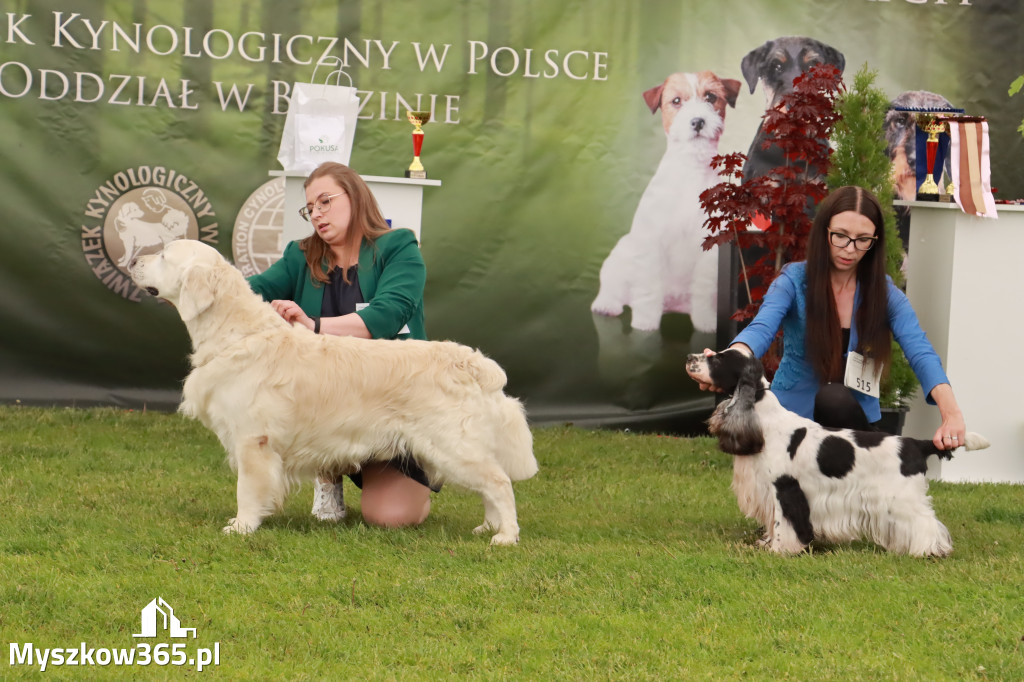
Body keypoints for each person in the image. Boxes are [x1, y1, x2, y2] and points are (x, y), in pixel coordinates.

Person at [688, 185, 967, 451]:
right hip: (790, 422)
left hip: (853, 423)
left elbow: (920, 351)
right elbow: (761, 329)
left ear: (875, 241)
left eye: (862, 240)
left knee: (834, 398)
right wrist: (727, 359)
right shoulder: (793, 281)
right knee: (829, 395)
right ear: (824, 232)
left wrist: (951, 412)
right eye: (841, 236)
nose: (849, 249)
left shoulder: (885, 293)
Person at [247, 161, 435, 527]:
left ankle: (408, 480)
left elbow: (388, 314)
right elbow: (250, 291)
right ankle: (327, 472)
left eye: (325, 202)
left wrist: (312, 325)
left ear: (355, 197)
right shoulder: (300, 255)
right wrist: (201, 282)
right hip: (329, 409)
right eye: (310, 208)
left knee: (391, 517)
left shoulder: (399, 246)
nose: (316, 214)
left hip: (392, 404)